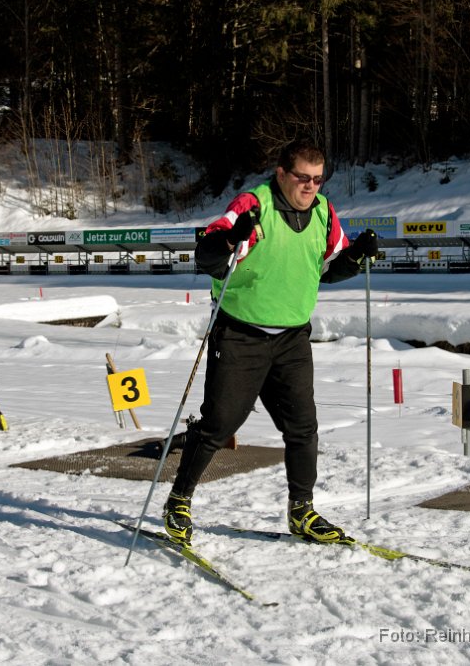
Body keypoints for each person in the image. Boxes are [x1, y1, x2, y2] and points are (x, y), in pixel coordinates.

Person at [162, 138, 378, 547]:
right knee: (219, 425)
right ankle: (178, 501)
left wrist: (355, 258)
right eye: (303, 177)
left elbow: (327, 270)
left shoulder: (324, 212)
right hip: (241, 333)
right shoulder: (254, 205)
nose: (311, 186)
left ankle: (302, 511)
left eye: (318, 179)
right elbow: (207, 257)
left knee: (303, 428)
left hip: (292, 338)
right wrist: (231, 240)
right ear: (281, 173)